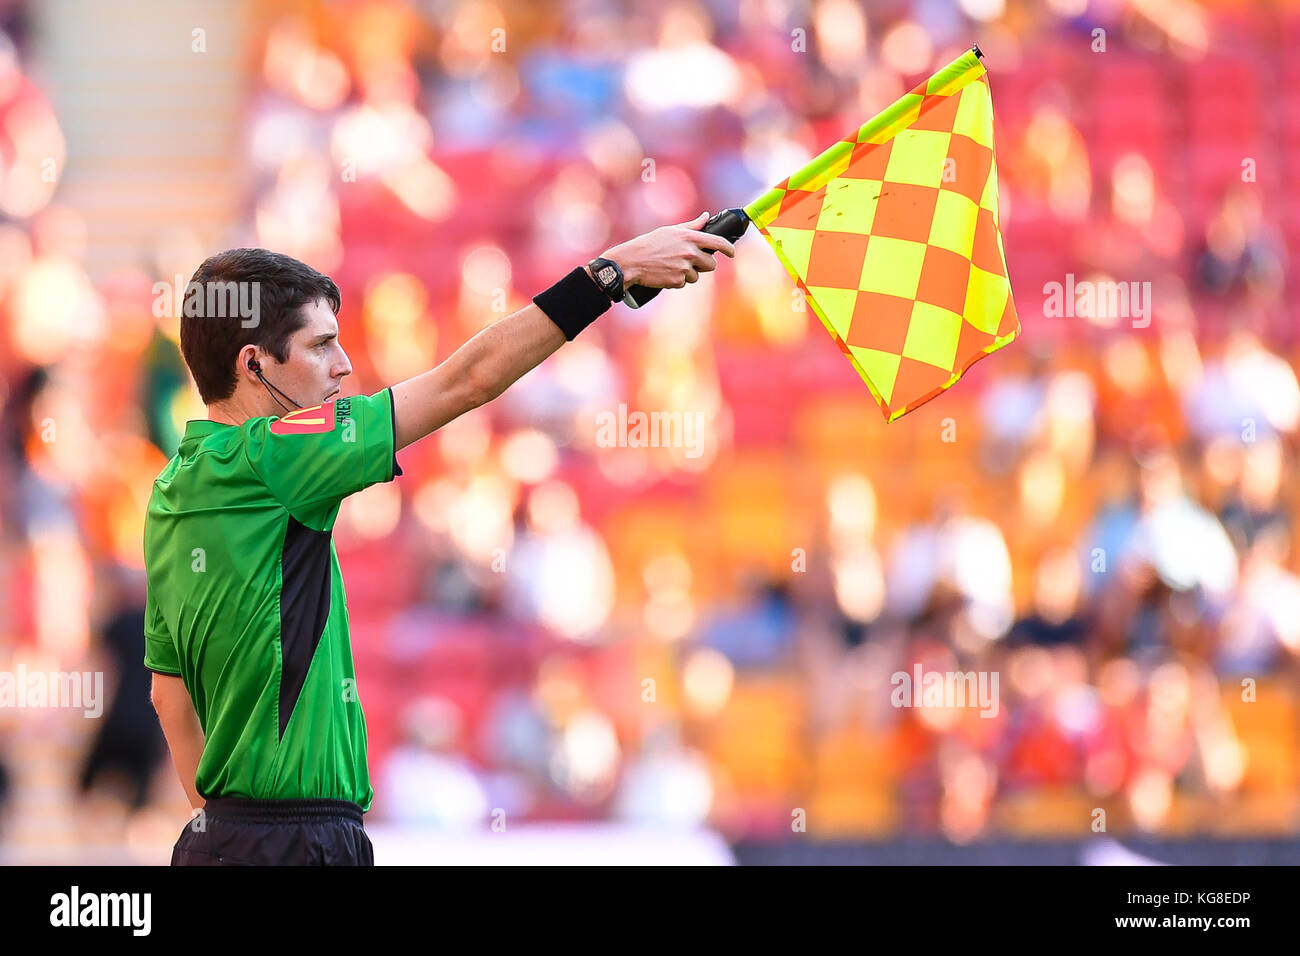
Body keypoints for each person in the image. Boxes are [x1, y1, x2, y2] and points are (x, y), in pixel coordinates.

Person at [146, 215, 735, 866]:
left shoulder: (170, 491)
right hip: (299, 839)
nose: (344, 366)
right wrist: (610, 273)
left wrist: (232, 833)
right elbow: (468, 380)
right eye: (320, 346)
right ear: (254, 365)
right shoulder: (277, 455)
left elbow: (169, 698)